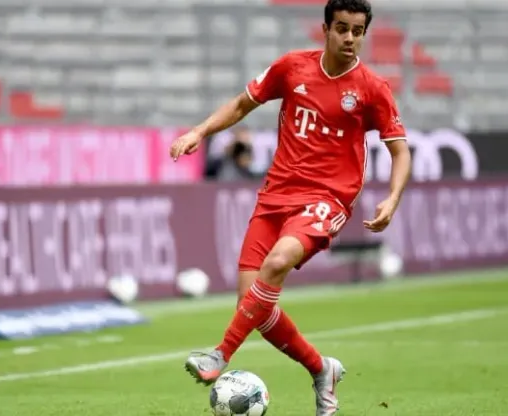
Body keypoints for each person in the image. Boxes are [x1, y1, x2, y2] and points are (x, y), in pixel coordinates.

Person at [169, 0, 411, 414]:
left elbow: (400, 150)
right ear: (326, 29)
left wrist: (392, 197)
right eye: (342, 28)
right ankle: (321, 370)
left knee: (278, 262)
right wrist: (200, 131)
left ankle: (220, 353)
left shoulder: (372, 88)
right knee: (254, 307)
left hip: (327, 199)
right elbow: (242, 104)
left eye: (357, 31)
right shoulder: (291, 67)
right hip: (275, 196)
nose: (349, 38)